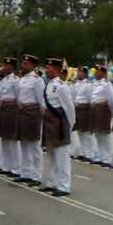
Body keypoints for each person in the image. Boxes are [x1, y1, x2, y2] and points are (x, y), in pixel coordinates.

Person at [41, 58, 75, 197]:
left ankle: (64, 186)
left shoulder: (61, 86)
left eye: (48, 67)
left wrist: (69, 126)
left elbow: (69, 108)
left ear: (56, 69)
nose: (46, 70)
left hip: (60, 124)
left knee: (62, 156)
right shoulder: (49, 85)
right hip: (49, 123)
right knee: (52, 154)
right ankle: (53, 182)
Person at [14, 55, 45, 187]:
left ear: (33, 66)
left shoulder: (37, 80)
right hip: (22, 112)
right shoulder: (22, 80)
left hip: (33, 112)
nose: (23, 65)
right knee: (24, 145)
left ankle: (36, 175)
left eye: (26, 64)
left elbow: (41, 100)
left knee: (34, 145)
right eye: (23, 63)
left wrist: (40, 115)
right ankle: (25, 173)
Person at [0, 57, 21, 178]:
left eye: (7, 65)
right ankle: (7, 166)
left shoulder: (15, 80)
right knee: (5, 139)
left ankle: (16, 168)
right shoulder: (4, 80)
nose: (4, 67)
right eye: (4, 65)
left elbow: (18, 97)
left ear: (12, 67)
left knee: (13, 139)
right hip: (4, 110)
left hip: (12, 110)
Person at [90, 65, 113, 167]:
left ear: (103, 74)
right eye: (96, 71)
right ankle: (101, 156)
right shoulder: (95, 84)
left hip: (104, 109)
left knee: (104, 134)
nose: (96, 73)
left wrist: (111, 112)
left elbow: (111, 100)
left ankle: (107, 158)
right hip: (95, 109)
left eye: (98, 72)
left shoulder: (106, 84)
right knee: (97, 134)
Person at [73, 67, 94, 162]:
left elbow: (90, 99)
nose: (78, 74)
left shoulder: (88, 85)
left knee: (86, 133)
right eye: (78, 72)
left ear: (85, 74)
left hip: (85, 108)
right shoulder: (76, 84)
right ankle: (82, 152)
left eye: (80, 72)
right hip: (77, 108)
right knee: (80, 132)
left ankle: (88, 153)